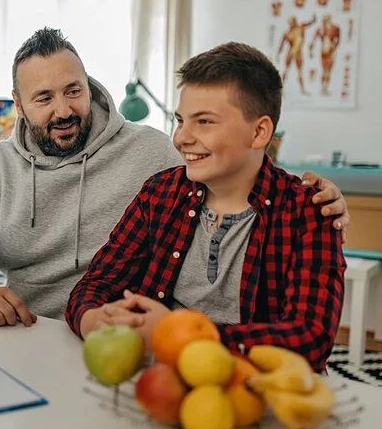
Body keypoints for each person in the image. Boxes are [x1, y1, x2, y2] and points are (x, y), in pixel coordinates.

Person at [0, 27, 350, 326]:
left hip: (129, 331)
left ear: (89, 86)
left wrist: (308, 195)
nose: (64, 110)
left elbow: (231, 165)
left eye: (73, 91)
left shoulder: (154, 152)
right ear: (18, 104)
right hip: (29, 330)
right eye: (44, 98)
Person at [65, 42, 345, 372]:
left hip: (257, 391)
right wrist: (92, 317)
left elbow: (310, 338)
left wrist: (181, 335)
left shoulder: (308, 211)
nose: (182, 138)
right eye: (180, 120)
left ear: (259, 132)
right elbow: (96, 285)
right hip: (163, 379)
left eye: (205, 122)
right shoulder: (159, 193)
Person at [278, 15, 317, 95]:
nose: (291, 24)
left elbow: (308, 24)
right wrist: (278, 55)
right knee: (286, 70)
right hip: (291, 52)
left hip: (298, 53)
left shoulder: (300, 27)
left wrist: (313, 20)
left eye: (292, 22)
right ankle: (280, 89)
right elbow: (281, 45)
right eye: (290, 23)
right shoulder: (287, 33)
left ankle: (302, 90)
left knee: (300, 72)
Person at [309, 14, 341, 95]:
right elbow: (313, 42)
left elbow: (337, 40)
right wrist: (311, 50)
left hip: (329, 50)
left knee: (327, 70)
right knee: (326, 70)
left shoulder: (334, 28)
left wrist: (333, 46)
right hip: (326, 50)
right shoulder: (321, 29)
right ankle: (324, 88)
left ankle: (324, 88)